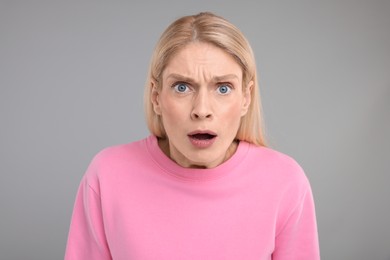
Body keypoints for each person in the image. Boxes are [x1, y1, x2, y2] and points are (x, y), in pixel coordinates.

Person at [65, 12, 320, 259]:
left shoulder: (285, 182)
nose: (201, 110)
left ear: (246, 98)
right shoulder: (107, 175)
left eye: (223, 88)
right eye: (182, 87)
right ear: (156, 97)